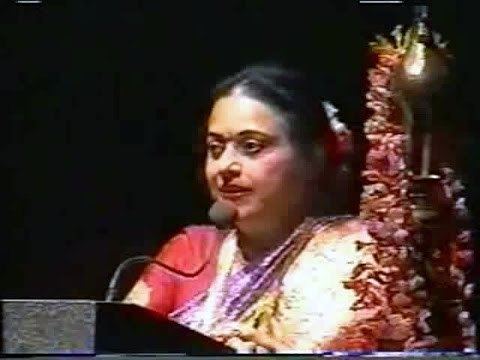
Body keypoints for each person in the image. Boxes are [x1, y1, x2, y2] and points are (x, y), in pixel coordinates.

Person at [124, 64, 390, 352]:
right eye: (215, 149)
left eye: (251, 146)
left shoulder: (365, 257)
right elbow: (109, 341)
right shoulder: (191, 253)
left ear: (314, 157)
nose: (225, 166)